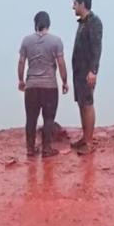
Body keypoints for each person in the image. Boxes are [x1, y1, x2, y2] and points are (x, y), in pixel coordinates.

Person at [18, 11, 69, 157]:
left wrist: (21, 80)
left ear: (35, 24)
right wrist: (64, 81)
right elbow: (61, 63)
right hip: (49, 87)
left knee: (31, 118)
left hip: (32, 86)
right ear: (49, 24)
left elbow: (21, 62)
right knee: (48, 118)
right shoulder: (56, 41)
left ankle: (30, 148)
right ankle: (47, 148)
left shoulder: (26, 41)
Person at [70, 0, 103, 155]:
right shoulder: (82, 23)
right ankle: (84, 137)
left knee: (88, 104)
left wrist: (93, 71)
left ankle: (89, 143)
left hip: (87, 72)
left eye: (75, 4)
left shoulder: (94, 22)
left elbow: (97, 48)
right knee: (81, 104)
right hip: (78, 72)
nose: (73, 7)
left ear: (83, 4)